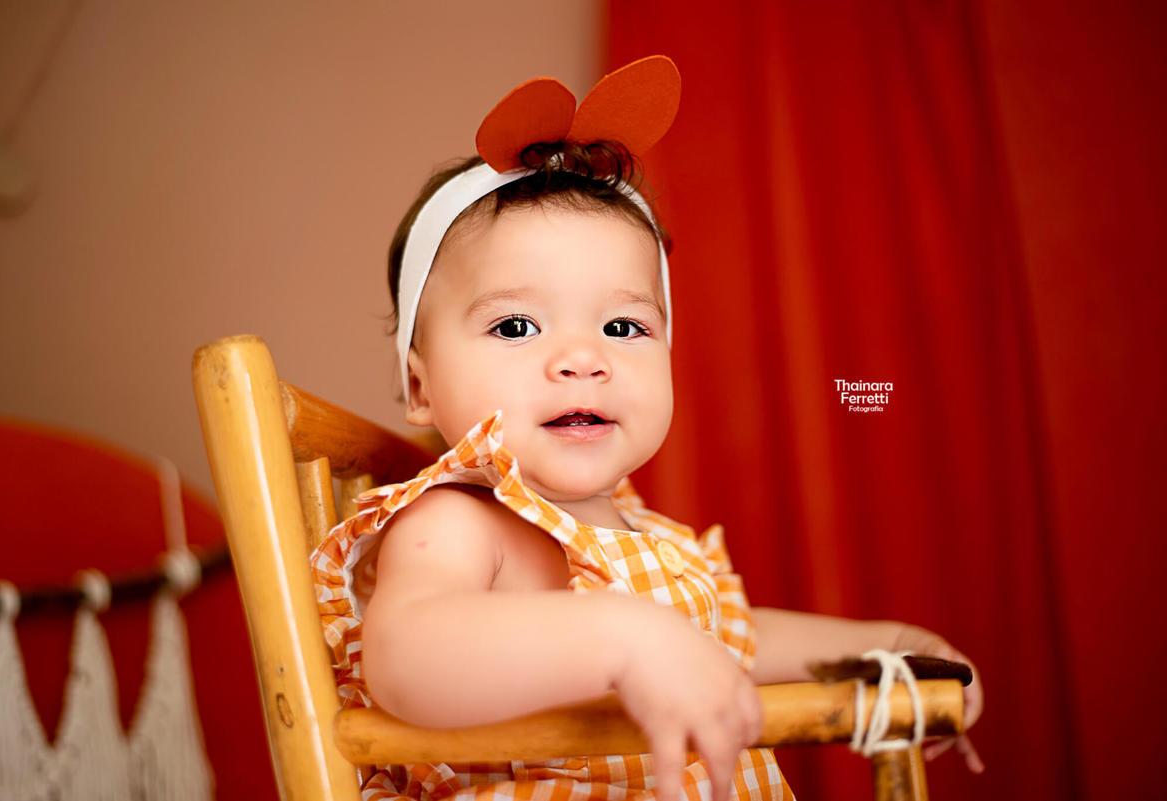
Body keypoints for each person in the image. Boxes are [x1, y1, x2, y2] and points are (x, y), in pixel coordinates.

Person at [312, 56, 982, 801]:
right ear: (419, 386)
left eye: (623, 326)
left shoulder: (641, 536)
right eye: (516, 325)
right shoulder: (457, 522)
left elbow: (735, 637)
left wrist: (884, 644)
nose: (583, 359)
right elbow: (409, 658)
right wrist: (622, 638)